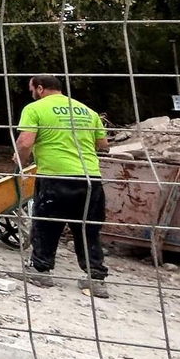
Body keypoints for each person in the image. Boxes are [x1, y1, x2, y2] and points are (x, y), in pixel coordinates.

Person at [15, 74, 111, 298]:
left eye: (32, 90)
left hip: (55, 176)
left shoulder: (35, 108)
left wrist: (19, 161)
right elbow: (102, 144)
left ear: (40, 89)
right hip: (90, 179)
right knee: (88, 228)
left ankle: (41, 270)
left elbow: (25, 142)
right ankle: (95, 278)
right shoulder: (87, 111)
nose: (32, 94)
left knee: (47, 224)